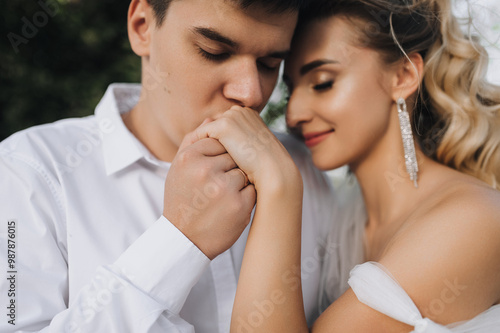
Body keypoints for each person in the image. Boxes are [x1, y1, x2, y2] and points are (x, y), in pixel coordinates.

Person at [0, 0, 335, 331]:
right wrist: (179, 241)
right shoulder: (27, 174)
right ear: (142, 26)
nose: (250, 93)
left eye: (268, 63)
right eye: (213, 51)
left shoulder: (304, 168)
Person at [199, 0, 500, 331]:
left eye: (323, 82)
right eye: (290, 92)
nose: (293, 114)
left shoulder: (472, 219)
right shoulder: (340, 218)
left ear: (403, 75)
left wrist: (277, 185)